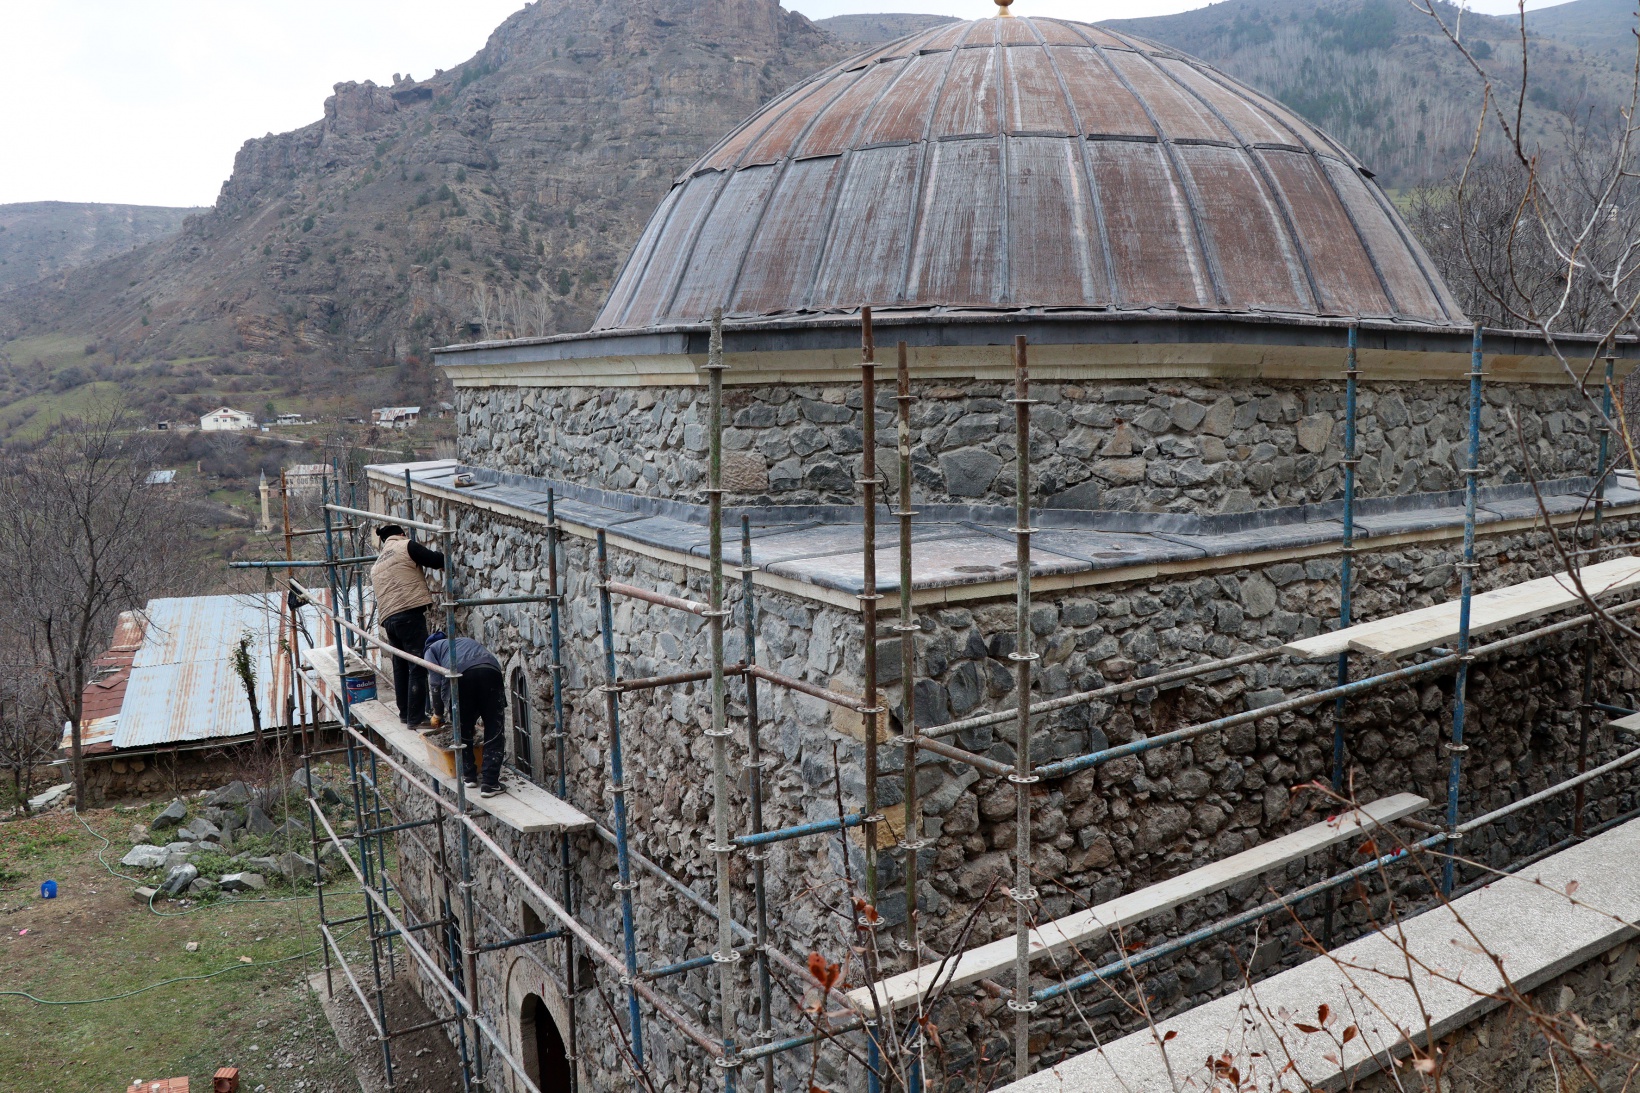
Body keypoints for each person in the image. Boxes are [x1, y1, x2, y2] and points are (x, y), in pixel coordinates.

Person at [369, 524, 445, 730]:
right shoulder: (406, 546)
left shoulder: (376, 565)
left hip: (389, 620)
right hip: (409, 614)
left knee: (400, 667)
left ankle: (405, 714)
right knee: (418, 666)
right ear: (401, 534)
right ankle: (416, 718)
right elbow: (436, 560)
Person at [424, 630, 507, 797]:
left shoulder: (430, 651)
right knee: (494, 728)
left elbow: (435, 684)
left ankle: (468, 776)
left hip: (461, 676)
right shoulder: (464, 642)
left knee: (461, 725)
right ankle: (490, 783)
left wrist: (438, 714)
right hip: (490, 671)